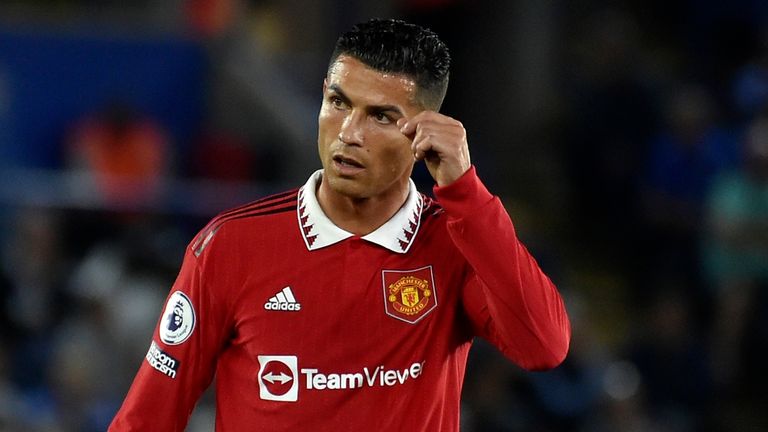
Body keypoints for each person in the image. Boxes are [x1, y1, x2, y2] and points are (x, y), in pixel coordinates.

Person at [109, 18, 570, 431]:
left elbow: (544, 347)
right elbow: (148, 416)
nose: (349, 132)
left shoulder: (457, 241)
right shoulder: (230, 245)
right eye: (337, 102)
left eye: (381, 116)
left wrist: (466, 193)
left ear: (424, 132)